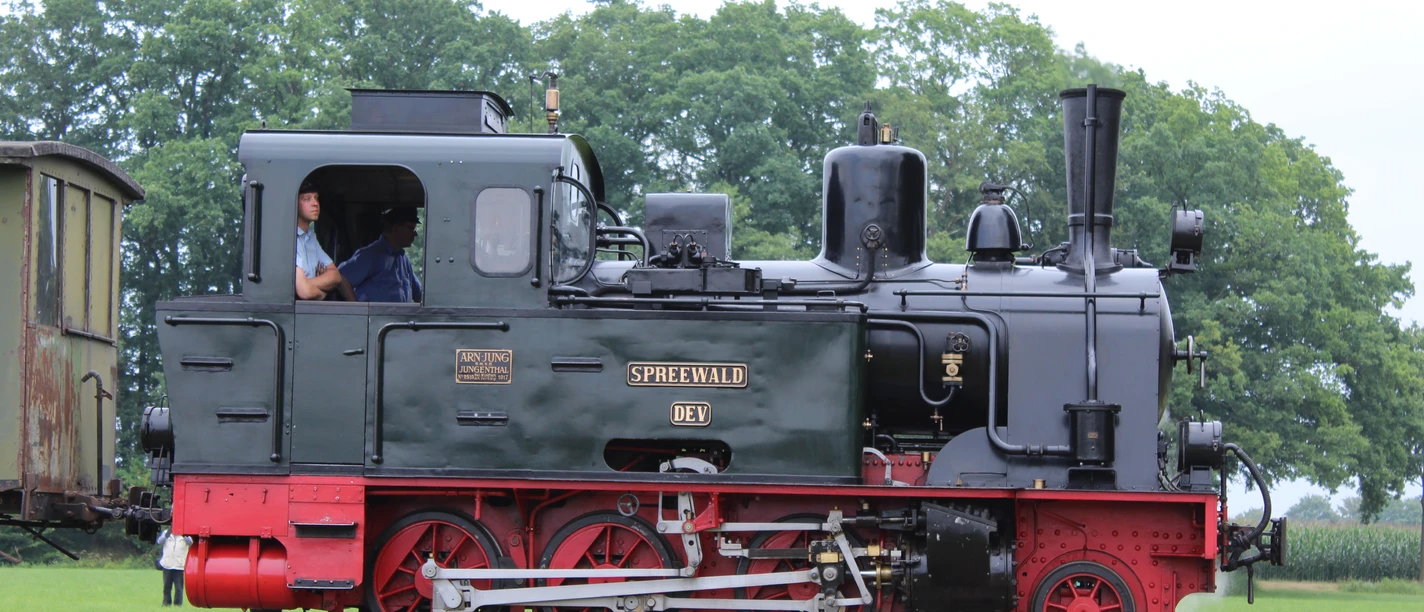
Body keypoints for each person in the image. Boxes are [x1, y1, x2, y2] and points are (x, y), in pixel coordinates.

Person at [339, 207, 424, 302]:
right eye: (411, 228)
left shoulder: (404, 260)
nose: (415, 234)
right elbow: (341, 278)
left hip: (400, 317)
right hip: (375, 317)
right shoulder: (372, 254)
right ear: (396, 228)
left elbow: (419, 295)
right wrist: (357, 310)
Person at [294, 180, 355, 301]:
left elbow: (335, 276)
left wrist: (307, 283)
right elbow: (305, 292)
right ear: (295, 203)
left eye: (316, 198)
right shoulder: (291, 239)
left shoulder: (310, 237)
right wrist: (323, 292)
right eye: (307, 199)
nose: (315, 203)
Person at [156, 528, 192, 606]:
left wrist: (184, 535)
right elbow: (159, 541)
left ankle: (177, 605)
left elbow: (191, 543)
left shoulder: (185, 534)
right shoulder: (166, 533)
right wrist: (166, 535)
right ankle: (166, 603)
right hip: (167, 565)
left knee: (179, 588)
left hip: (179, 566)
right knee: (166, 587)